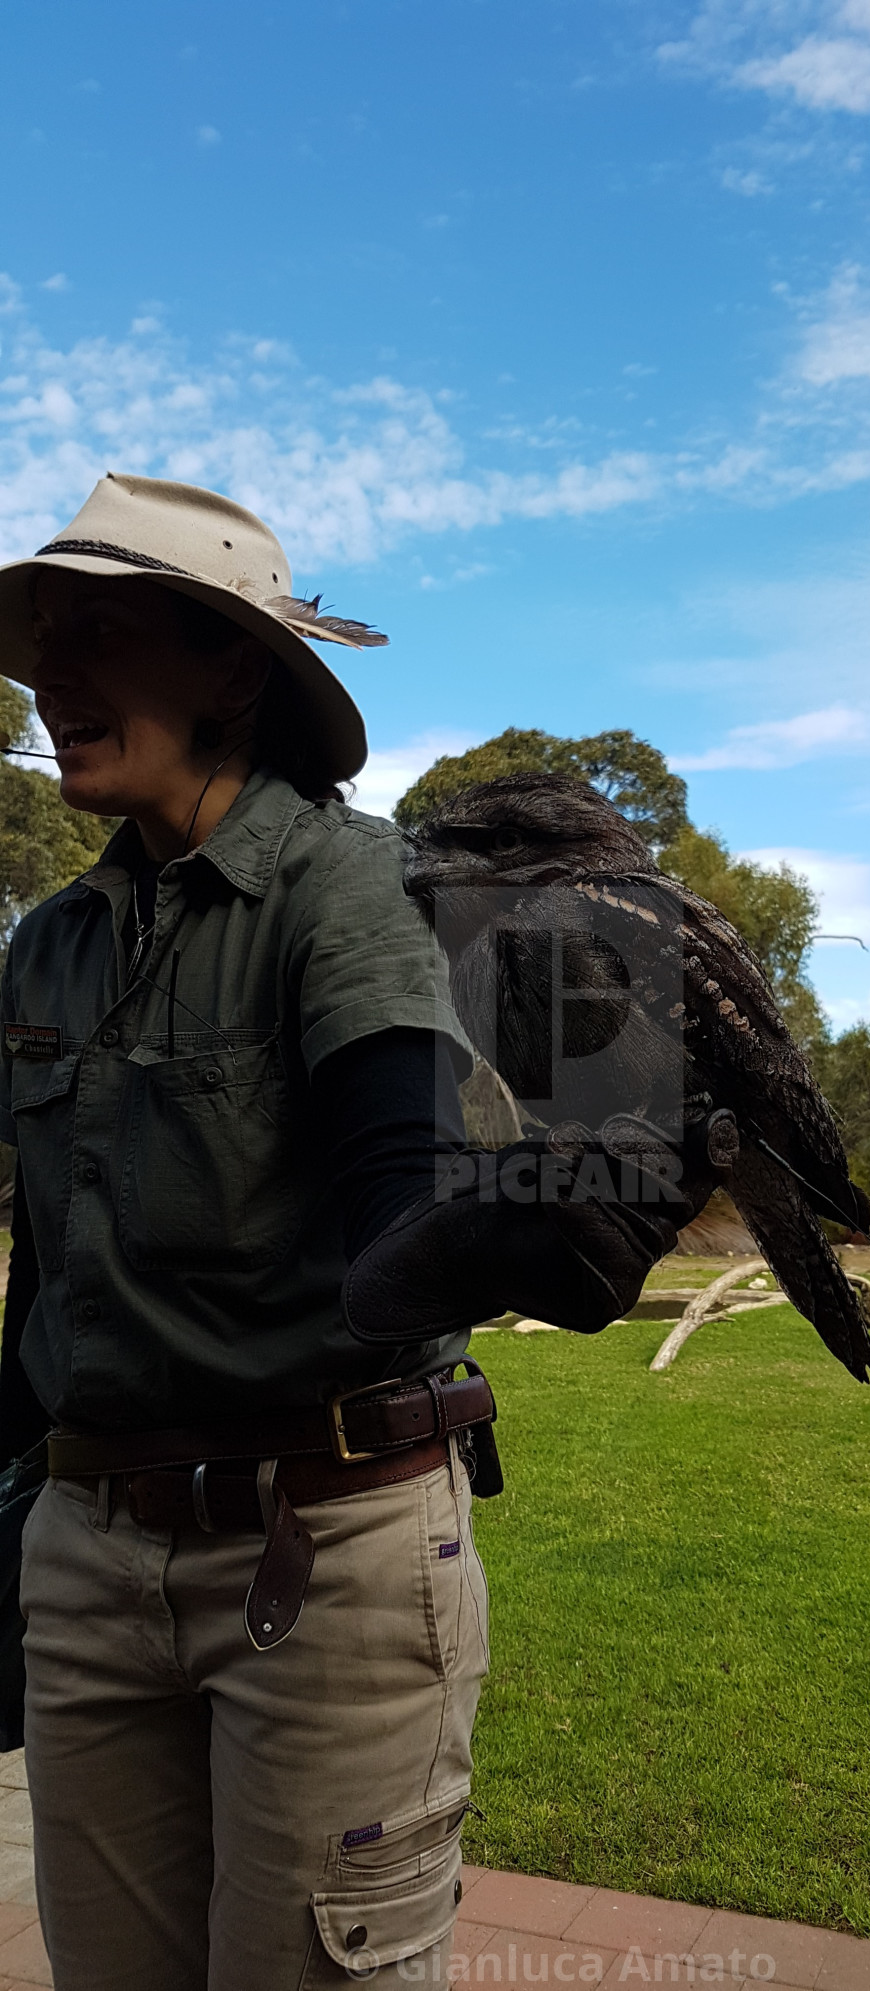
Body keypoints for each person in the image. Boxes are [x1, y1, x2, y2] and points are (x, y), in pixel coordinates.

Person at [0, 474, 711, 1991]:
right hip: (85, 1552)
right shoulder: (51, 944)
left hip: (319, 1551)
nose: (52, 672)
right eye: (44, 634)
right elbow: (46, 1276)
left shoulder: (355, 887)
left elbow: (397, 1176)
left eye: (99, 627)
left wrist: (495, 1238)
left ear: (234, 669)